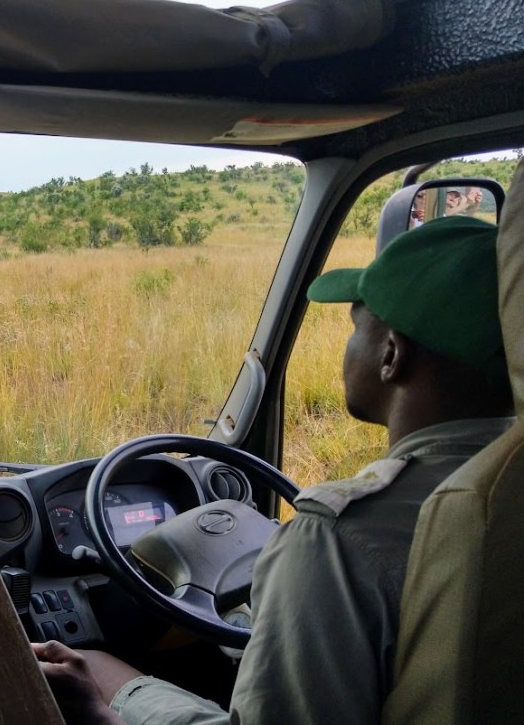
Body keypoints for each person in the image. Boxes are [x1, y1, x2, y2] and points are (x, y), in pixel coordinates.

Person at [35, 215, 515, 725]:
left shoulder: (336, 541)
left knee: (97, 669)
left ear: (391, 356)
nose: (349, 343)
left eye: (356, 326)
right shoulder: (506, 491)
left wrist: (100, 716)